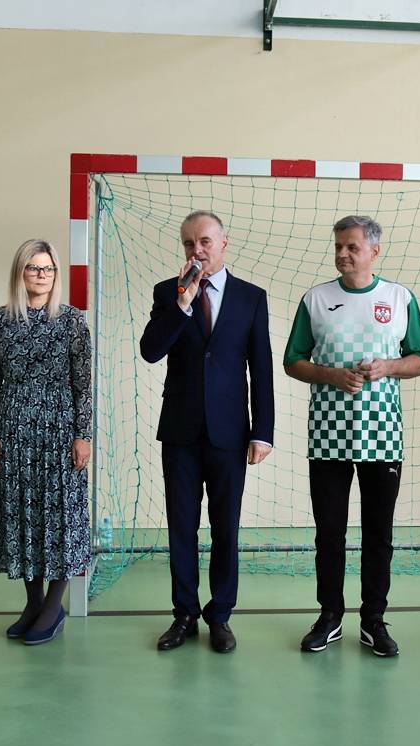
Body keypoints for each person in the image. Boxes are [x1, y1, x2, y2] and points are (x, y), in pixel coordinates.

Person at [284, 215, 420, 658]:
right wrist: (331, 375)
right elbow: (293, 361)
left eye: (352, 246)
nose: (343, 254)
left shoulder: (399, 298)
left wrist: (389, 366)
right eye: (338, 246)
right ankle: (329, 617)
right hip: (328, 434)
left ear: (374, 251)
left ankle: (373, 621)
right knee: (329, 533)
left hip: (382, 434)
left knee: (378, 534)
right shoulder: (316, 299)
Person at [140, 211, 274, 654]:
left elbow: (261, 369)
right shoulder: (168, 293)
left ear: (223, 243)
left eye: (204, 242)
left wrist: (263, 432)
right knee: (181, 527)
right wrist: (183, 302)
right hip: (180, 431)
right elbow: (150, 351)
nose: (196, 251)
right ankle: (184, 615)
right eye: (188, 244)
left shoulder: (251, 297)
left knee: (225, 528)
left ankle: (220, 616)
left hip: (230, 433)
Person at [0, 240, 92, 646]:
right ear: (20, 272)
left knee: (59, 516)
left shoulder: (73, 321)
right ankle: (33, 603)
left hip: (60, 430)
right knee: (22, 516)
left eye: (48, 268)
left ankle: (53, 607)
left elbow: (83, 384)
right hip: (13, 431)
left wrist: (83, 435)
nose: (42, 275)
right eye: (33, 267)